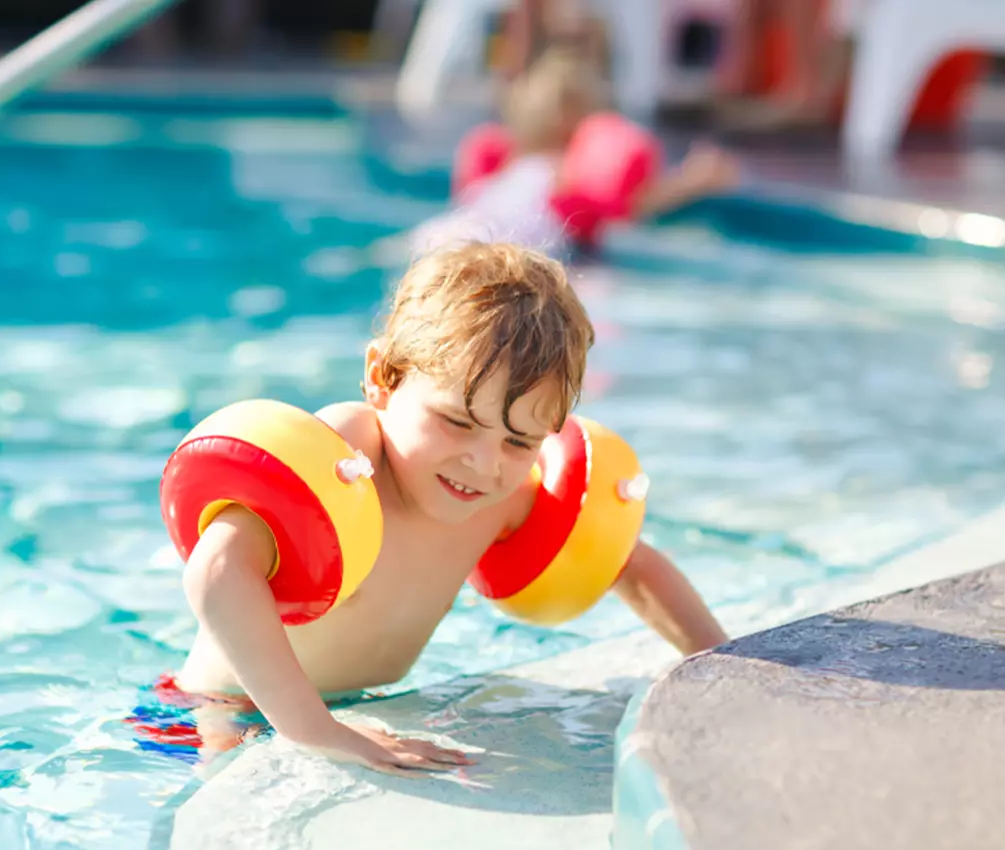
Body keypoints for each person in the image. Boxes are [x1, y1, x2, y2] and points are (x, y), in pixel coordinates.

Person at [174, 242, 729, 776]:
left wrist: (725, 666)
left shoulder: (505, 499)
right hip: (217, 711)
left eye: (519, 442)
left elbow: (626, 563)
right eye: (457, 423)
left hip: (363, 709)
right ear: (382, 379)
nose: (484, 464)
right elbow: (218, 573)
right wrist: (312, 728)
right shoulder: (341, 463)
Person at [411, 47, 741, 258]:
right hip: (499, 251)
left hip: (439, 234)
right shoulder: (570, 173)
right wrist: (695, 181)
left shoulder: (509, 165)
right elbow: (629, 207)